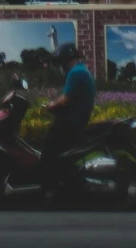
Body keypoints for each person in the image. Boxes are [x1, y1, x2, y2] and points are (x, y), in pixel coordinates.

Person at [39, 53, 97, 182]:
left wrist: (51, 106)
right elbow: (68, 96)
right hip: (79, 119)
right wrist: (55, 103)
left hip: (71, 121)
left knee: (48, 153)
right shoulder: (83, 70)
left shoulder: (74, 73)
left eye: (59, 63)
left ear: (65, 61)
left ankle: (49, 188)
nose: (60, 67)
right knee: (61, 155)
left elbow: (65, 100)